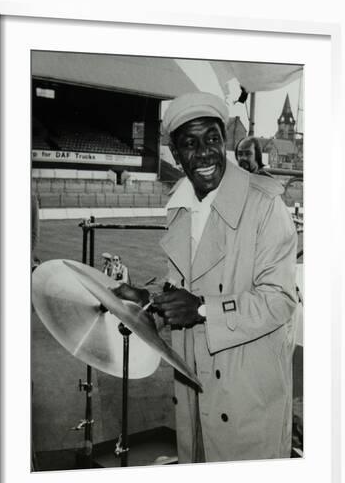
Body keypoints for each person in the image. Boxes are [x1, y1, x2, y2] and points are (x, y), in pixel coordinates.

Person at [115, 92, 297, 463]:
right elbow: (186, 288)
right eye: (190, 144)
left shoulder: (264, 204)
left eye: (212, 139)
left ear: (225, 141)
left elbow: (280, 300)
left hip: (247, 394)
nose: (204, 153)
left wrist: (201, 310)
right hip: (194, 386)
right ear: (175, 153)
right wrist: (148, 298)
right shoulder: (180, 206)